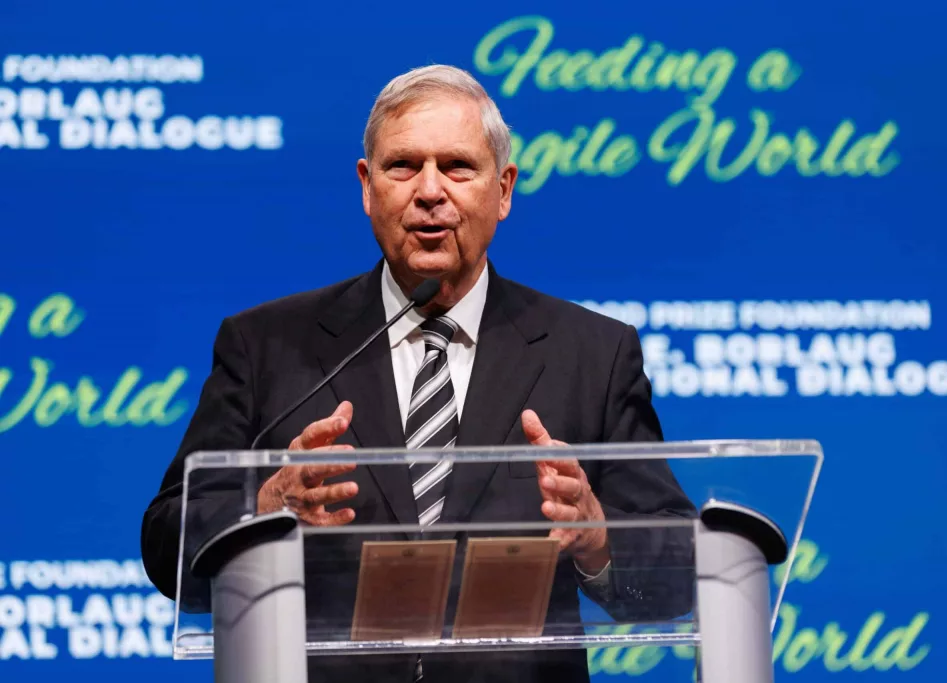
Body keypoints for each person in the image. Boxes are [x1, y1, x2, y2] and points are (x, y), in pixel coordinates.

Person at [141, 64, 695, 683]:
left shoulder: (593, 352)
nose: (430, 191)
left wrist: (597, 536)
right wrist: (269, 504)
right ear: (367, 187)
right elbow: (169, 544)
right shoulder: (266, 345)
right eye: (403, 166)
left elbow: (676, 564)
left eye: (458, 167)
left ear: (504, 190)